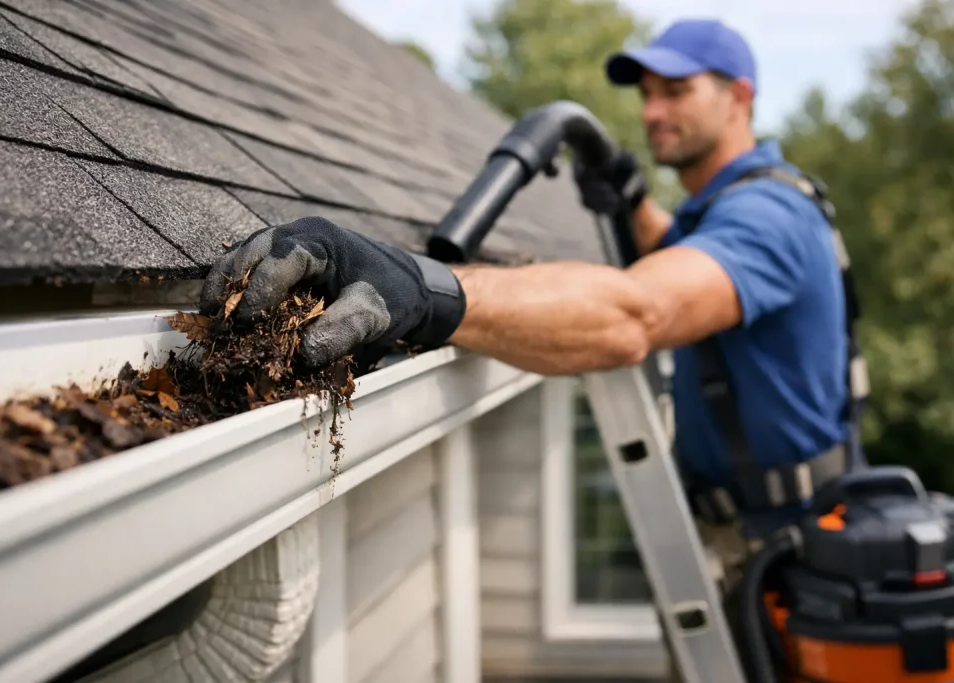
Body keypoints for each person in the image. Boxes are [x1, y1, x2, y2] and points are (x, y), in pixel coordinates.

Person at [200, 16, 852, 624]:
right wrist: (634, 203)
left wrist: (426, 290)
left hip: (787, 550)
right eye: (648, 94)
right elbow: (683, 259)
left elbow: (638, 312)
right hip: (746, 529)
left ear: (739, 97)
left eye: (676, 92)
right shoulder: (720, 210)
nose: (653, 112)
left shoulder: (770, 217)